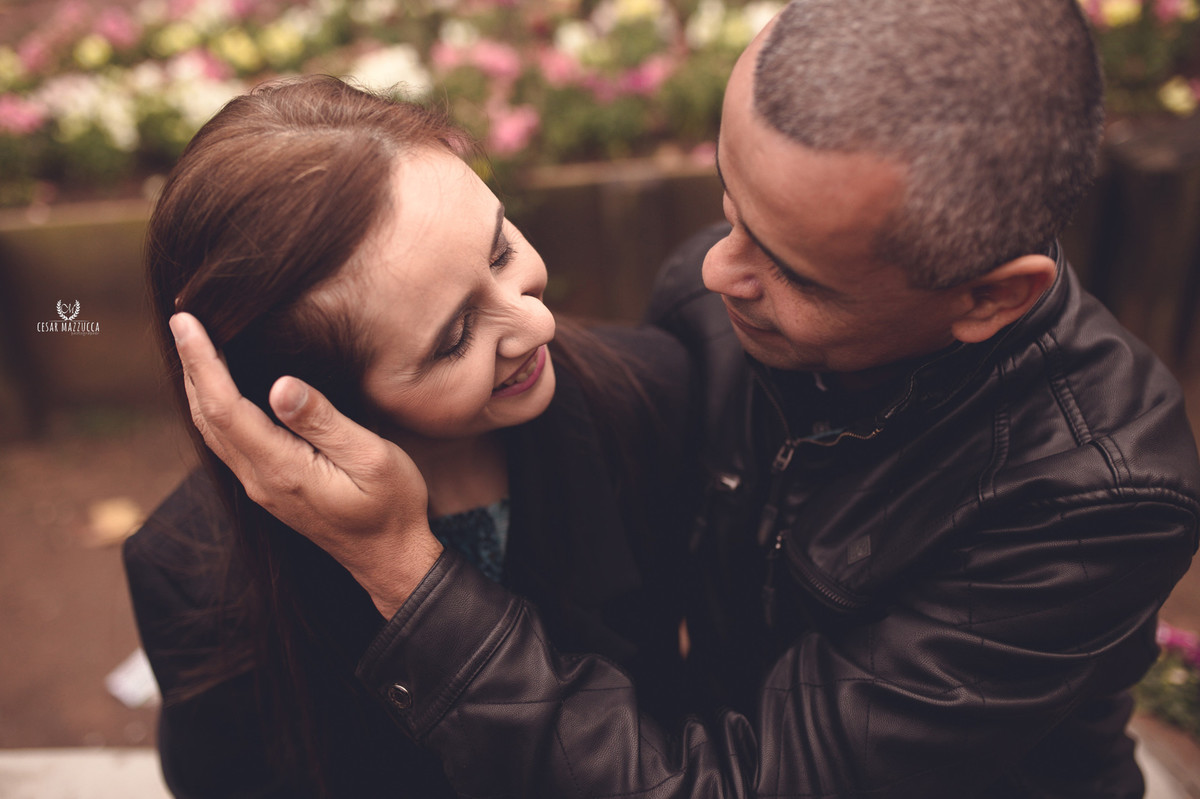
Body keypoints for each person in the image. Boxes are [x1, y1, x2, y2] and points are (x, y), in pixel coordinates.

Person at [171, 0, 1200, 796]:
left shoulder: (1090, 498)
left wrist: (401, 566)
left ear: (989, 296)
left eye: (793, 269)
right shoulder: (711, 317)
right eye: (728, 205)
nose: (714, 275)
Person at [124, 75, 696, 798]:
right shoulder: (195, 574)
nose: (537, 324)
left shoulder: (653, 397)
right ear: (304, 404)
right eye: (454, 338)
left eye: (499, 252)